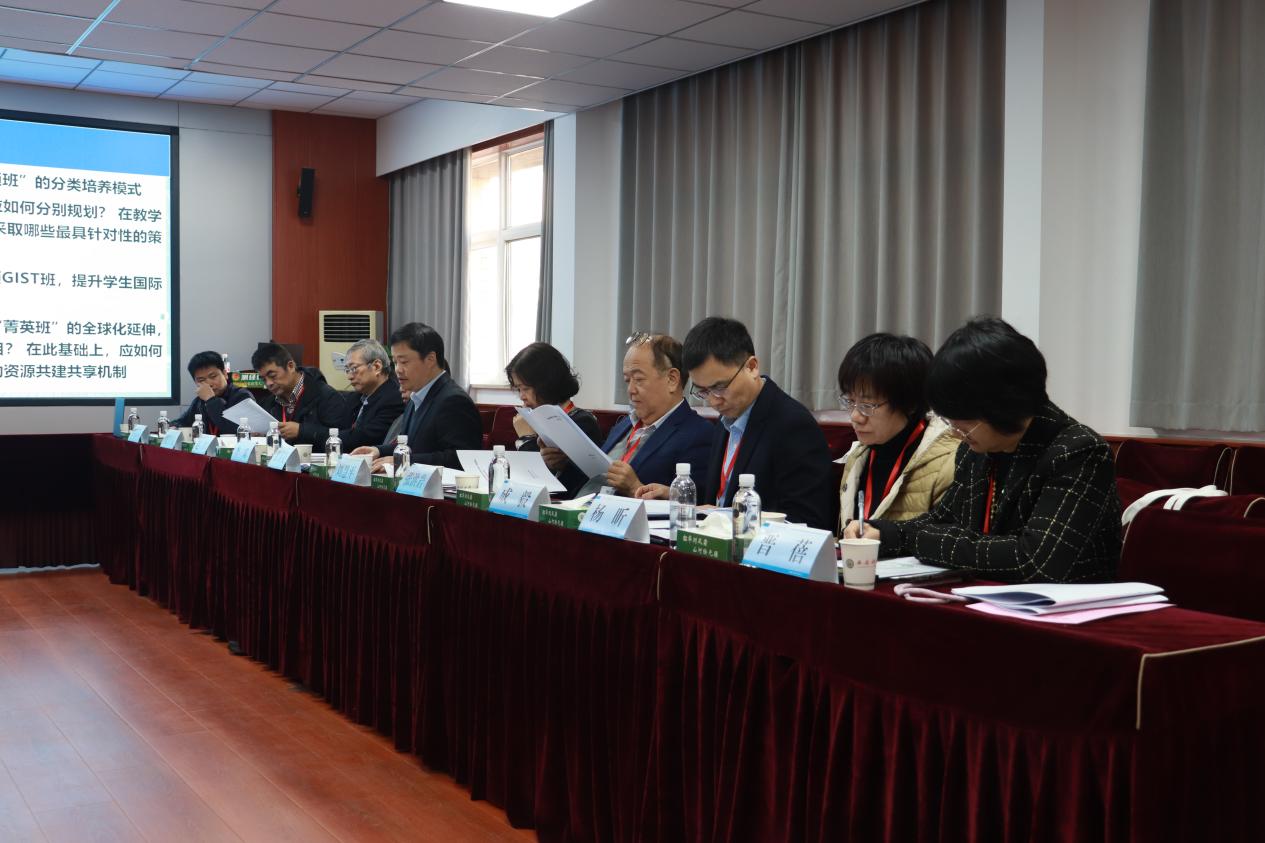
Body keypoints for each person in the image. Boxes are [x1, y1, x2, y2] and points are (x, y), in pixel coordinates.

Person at [845, 317, 1122, 583]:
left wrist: (915, 539)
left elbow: (1033, 560)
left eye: (962, 422)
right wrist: (884, 533)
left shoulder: (1079, 453)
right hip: (983, 600)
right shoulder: (977, 450)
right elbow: (943, 520)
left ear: (1002, 407)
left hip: (1059, 610)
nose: (954, 432)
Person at [637, 317, 834, 530]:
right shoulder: (727, 419)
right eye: (703, 391)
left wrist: (725, 516)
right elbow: (721, 499)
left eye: (720, 387)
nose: (713, 401)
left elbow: (806, 521)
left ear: (751, 367)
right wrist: (677, 495)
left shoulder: (792, 425)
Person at [834, 333, 958, 533]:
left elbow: (944, 540)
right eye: (850, 401)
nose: (855, 416)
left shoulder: (948, 463)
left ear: (909, 404)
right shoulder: (857, 457)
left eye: (868, 405)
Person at [572, 332, 714, 498]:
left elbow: (692, 504)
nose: (630, 390)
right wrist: (562, 464)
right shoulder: (624, 424)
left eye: (638, 379)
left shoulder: (698, 434)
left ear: (672, 379)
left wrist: (635, 488)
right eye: (627, 380)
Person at [350, 322, 482, 471]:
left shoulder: (454, 401)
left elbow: (459, 459)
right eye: (395, 362)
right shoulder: (416, 397)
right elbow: (410, 446)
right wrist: (378, 451)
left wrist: (404, 461)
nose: (398, 370)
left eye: (404, 362)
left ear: (430, 359)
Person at [505, 342, 603, 497]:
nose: (522, 396)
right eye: (518, 389)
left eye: (526, 388)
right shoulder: (534, 419)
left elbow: (539, 480)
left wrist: (526, 439)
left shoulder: (583, 422)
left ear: (546, 384)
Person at [251, 342, 351, 446]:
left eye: (272, 376)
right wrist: (261, 435)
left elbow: (344, 439)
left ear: (290, 366)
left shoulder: (327, 397)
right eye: (263, 379)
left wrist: (301, 431)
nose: (268, 383)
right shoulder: (269, 403)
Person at [338, 339, 404, 452]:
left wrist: (323, 436)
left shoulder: (394, 398)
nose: (349, 376)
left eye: (354, 369)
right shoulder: (357, 397)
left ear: (377, 367)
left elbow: (363, 439)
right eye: (347, 370)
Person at [173, 351, 251, 435]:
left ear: (225, 374)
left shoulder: (242, 396)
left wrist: (211, 400)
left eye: (213, 376)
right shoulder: (199, 401)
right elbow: (182, 422)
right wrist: (173, 426)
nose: (209, 384)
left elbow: (235, 431)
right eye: (201, 380)